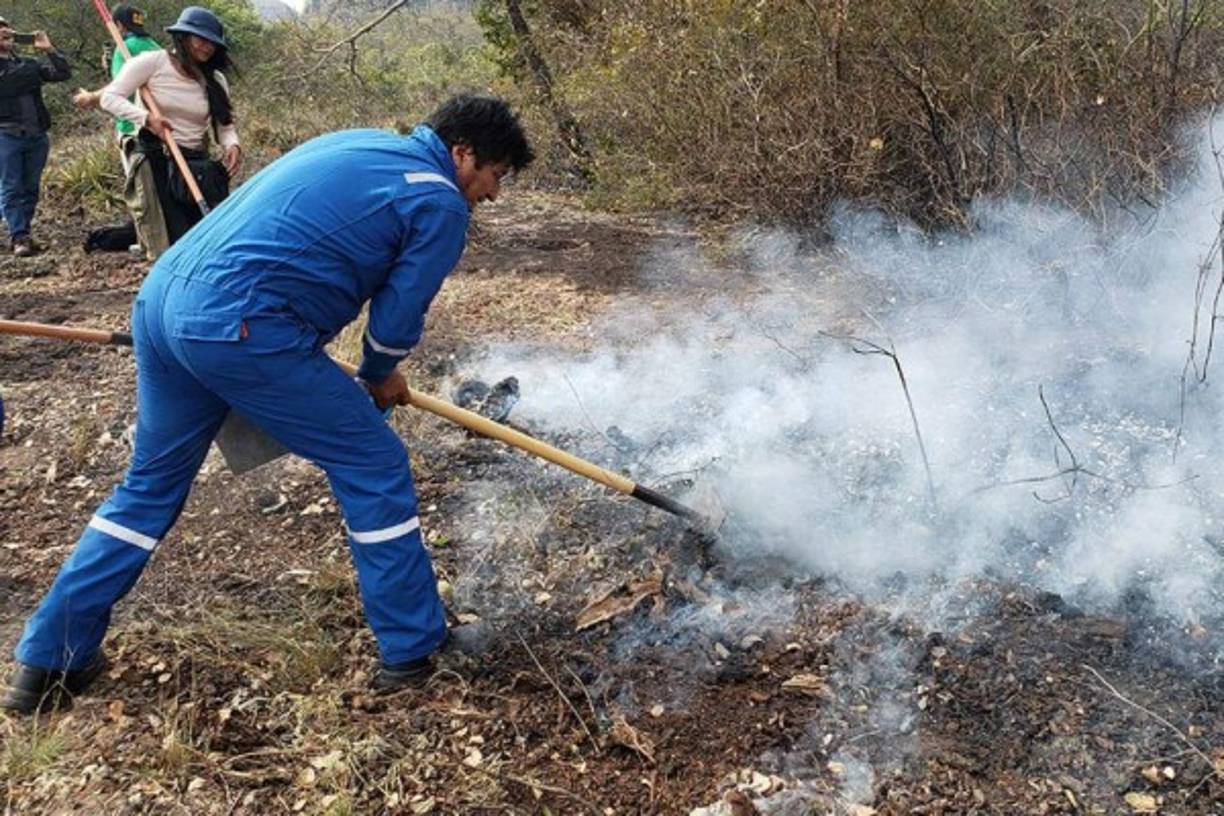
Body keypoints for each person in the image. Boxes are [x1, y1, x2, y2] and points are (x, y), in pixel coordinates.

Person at [1, 94, 534, 715]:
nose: (490, 194)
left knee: (146, 490)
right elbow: (395, 318)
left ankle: (47, 660)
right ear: (461, 153)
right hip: (239, 326)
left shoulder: (357, 139)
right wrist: (382, 373)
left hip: (164, 301)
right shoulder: (438, 198)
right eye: (493, 177)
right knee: (375, 462)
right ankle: (412, 651)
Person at [99, 6, 241, 259]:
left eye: (212, 43)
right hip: (157, 159)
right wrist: (146, 119)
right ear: (183, 37)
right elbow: (109, 98)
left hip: (196, 163)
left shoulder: (215, 79)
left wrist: (232, 146)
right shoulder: (152, 63)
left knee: (208, 235)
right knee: (171, 240)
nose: (206, 48)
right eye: (200, 39)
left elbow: (225, 126)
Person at [73, 5, 162, 254]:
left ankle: (147, 241)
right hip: (159, 124)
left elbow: (117, 89)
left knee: (141, 188)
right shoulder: (155, 46)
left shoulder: (128, 47)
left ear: (119, 26)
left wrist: (90, 97)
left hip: (133, 127)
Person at [0, 19, 70, 257]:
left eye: (6, 28)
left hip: (36, 135)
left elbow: (62, 73)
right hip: (6, 136)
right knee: (11, 187)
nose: (4, 32)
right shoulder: (27, 68)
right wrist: (31, 72)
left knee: (30, 187)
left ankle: (25, 233)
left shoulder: (28, 63)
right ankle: (18, 235)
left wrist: (49, 49)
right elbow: (9, 83)